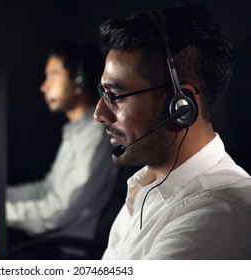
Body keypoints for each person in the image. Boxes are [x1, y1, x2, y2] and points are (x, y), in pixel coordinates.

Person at [94, 3, 251, 259]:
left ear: (180, 106)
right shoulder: (147, 186)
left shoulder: (217, 215)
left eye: (115, 96)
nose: (99, 114)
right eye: (103, 93)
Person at [6, 41, 118, 258]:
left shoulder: (96, 137)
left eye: (53, 75)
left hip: (70, 254)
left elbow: (58, 211)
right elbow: (47, 189)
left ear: (79, 80)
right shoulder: (77, 131)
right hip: (54, 244)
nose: (44, 86)